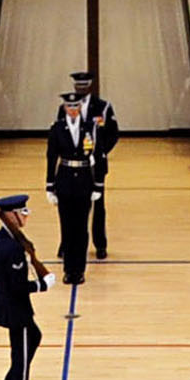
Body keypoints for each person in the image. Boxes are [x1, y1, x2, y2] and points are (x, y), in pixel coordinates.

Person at [0, 194, 56, 380]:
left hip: (4, 306)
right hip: (16, 309)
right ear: (10, 216)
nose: (25, 217)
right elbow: (17, 286)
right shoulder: (12, 247)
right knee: (21, 360)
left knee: (34, 338)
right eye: (21, 213)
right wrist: (41, 285)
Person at [45, 92, 100, 284]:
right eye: (69, 107)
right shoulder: (57, 128)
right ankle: (69, 269)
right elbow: (51, 157)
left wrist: (97, 184)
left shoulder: (89, 127)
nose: (73, 110)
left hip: (84, 180)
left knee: (82, 228)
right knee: (67, 227)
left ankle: (80, 269)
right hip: (65, 180)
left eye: (76, 106)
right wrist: (50, 186)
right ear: (64, 108)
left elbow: (97, 155)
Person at [70, 70, 120, 260]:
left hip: (95, 165)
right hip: (74, 165)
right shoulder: (67, 106)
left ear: (89, 86)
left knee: (98, 206)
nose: (80, 89)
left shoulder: (103, 107)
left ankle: (100, 244)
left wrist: (100, 152)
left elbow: (113, 134)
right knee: (73, 206)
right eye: (77, 85)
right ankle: (68, 243)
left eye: (84, 85)